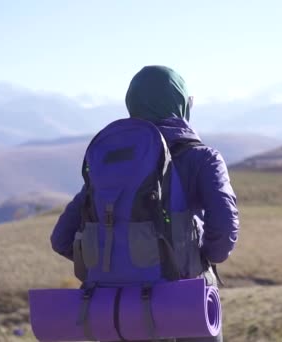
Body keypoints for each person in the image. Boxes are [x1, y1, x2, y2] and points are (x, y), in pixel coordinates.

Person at [50, 65, 240, 342]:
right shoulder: (203, 158)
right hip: (186, 300)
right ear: (182, 103)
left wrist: (116, 264)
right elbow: (224, 233)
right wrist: (194, 259)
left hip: (119, 308)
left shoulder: (110, 164)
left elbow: (60, 239)